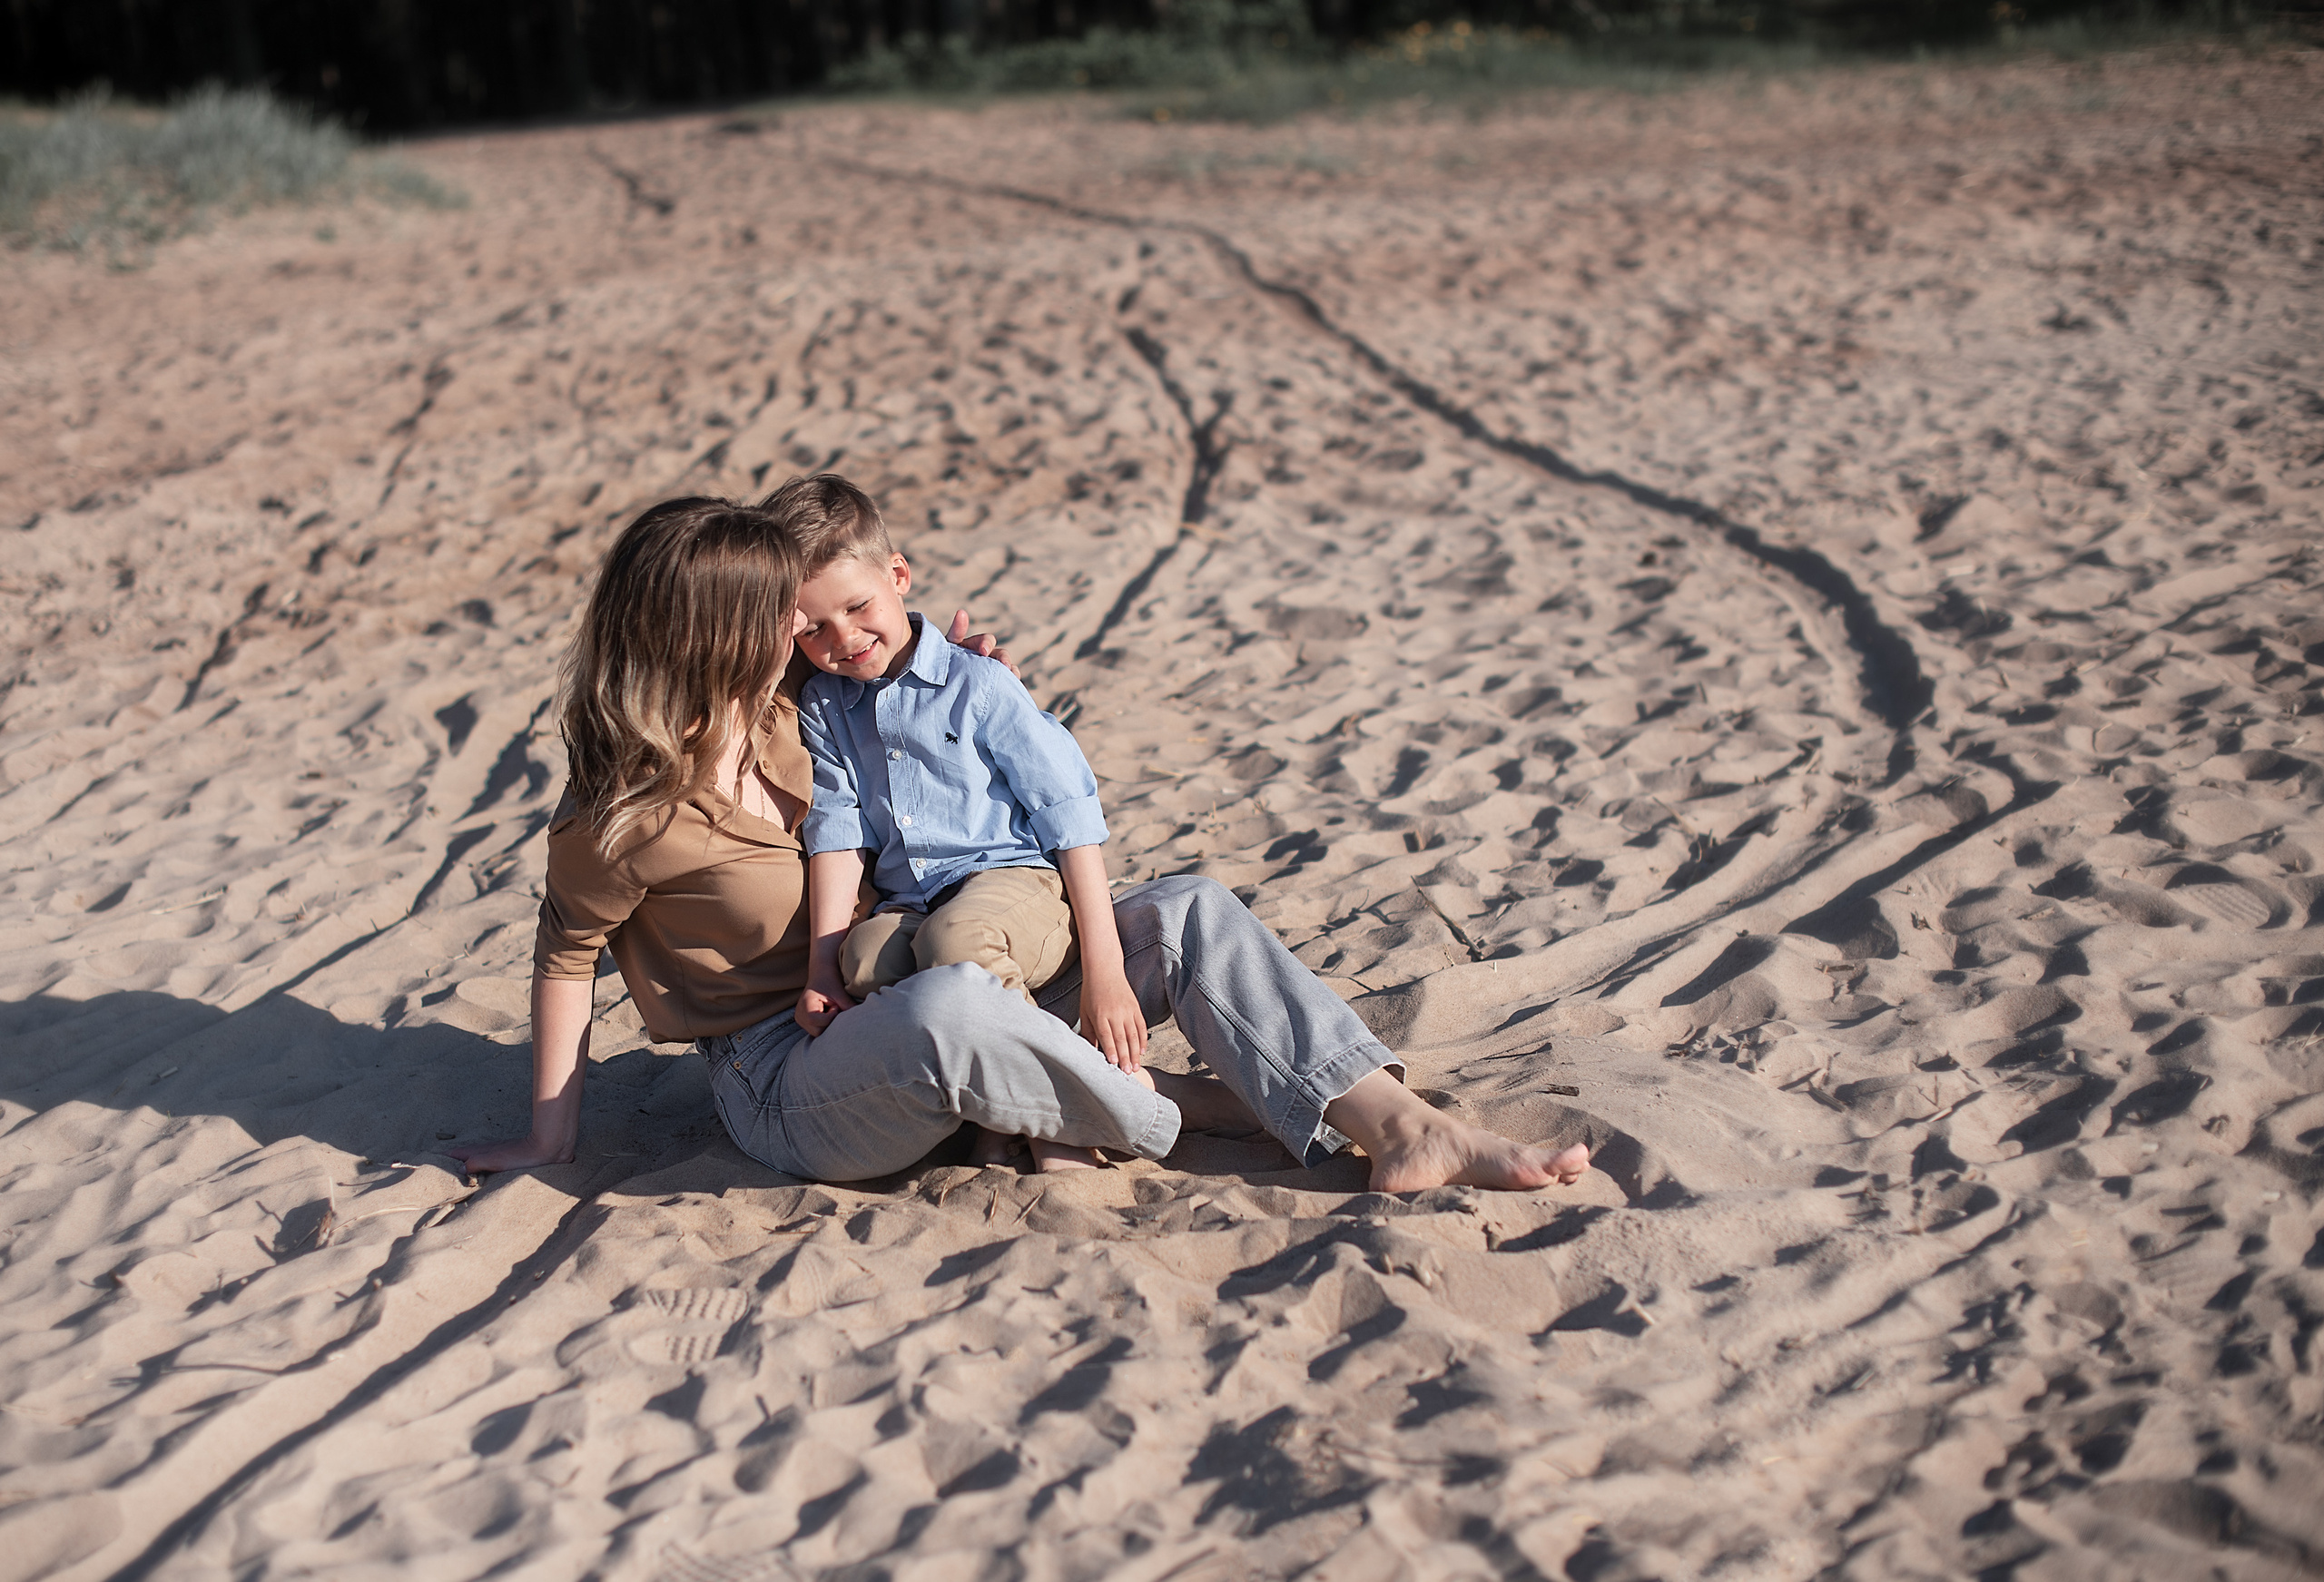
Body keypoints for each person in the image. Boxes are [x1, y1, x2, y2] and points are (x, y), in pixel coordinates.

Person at [448, 491, 1590, 1196]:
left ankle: (1408, 1129)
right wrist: (550, 1136)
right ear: (707, 640)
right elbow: (564, 958)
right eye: (779, 624)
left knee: (1184, 908)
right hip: (793, 1077)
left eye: (802, 623)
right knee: (954, 1005)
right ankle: (1168, 1112)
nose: (803, 637)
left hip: (939, 963)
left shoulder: (797, 706)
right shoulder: (620, 821)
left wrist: (966, 662)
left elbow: (903, 677)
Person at [782, 476, 1139, 1172]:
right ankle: (992, 1113)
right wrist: (822, 961)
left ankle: (1058, 1116)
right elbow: (838, 829)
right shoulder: (825, 707)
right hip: (913, 902)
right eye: (813, 629)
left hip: (1016, 883)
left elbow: (1067, 808)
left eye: (858, 607)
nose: (844, 638)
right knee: (866, 959)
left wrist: (1108, 969)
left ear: (899, 574)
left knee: (959, 938)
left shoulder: (977, 682)